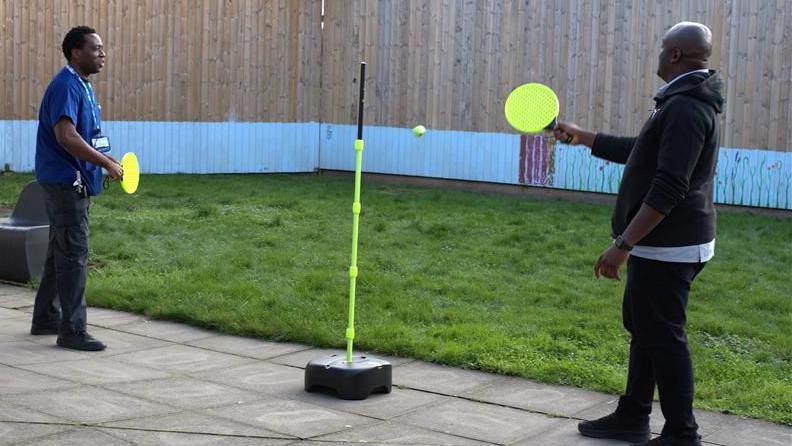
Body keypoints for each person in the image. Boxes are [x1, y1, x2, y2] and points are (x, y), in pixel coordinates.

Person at [554, 22, 725, 446]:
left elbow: (669, 185)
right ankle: (632, 414)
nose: (658, 54)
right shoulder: (680, 101)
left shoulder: (686, 108)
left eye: (662, 47)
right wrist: (583, 137)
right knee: (645, 326)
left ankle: (682, 434)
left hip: (670, 245)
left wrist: (622, 244)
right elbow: (641, 152)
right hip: (666, 243)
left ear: (675, 56)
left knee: (663, 335)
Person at [30, 26, 123, 351]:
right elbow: (66, 137)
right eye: (96, 48)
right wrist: (107, 164)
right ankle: (72, 330)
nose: (102, 54)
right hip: (65, 181)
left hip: (67, 179)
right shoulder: (66, 85)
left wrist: (102, 158)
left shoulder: (80, 85)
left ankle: (45, 317)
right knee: (74, 254)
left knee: (61, 252)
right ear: (75, 53)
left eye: (102, 48)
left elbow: (83, 135)